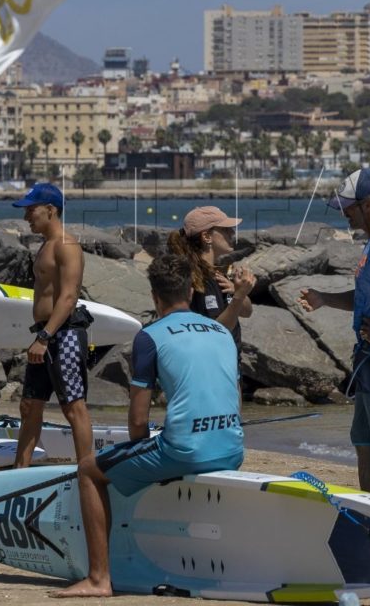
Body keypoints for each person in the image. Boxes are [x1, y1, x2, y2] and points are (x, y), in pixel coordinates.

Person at [54, 254, 243, 598]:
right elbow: (231, 396)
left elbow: (138, 420)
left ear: (155, 297)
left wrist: (140, 455)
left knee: (88, 470)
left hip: (185, 452)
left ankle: (98, 580)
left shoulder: (150, 336)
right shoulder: (222, 330)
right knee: (166, 446)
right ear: (190, 290)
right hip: (232, 449)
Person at [298, 168, 370, 498]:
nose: (344, 214)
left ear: (368, 205)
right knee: (365, 441)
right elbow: (368, 298)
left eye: (347, 207)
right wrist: (324, 299)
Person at [11, 183, 94, 468]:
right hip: (45, 334)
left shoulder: (66, 245)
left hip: (64, 333)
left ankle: (87, 472)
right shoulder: (46, 245)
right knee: (29, 405)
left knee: (73, 407)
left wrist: (45, 336)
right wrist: (42, 336)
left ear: (50, 209)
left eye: (30, 210)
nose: (26, 217)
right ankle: (19, 473)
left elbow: (69, 296)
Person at [166, 206, 256, 355]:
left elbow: (247, 312)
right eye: (225, 229)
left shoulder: (217, 273)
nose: (232, 233)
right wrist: (239, 296)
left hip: (227, 362)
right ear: (206, 236)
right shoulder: (197, 277)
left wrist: (238, 292)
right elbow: (215, 332)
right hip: (211, 362)